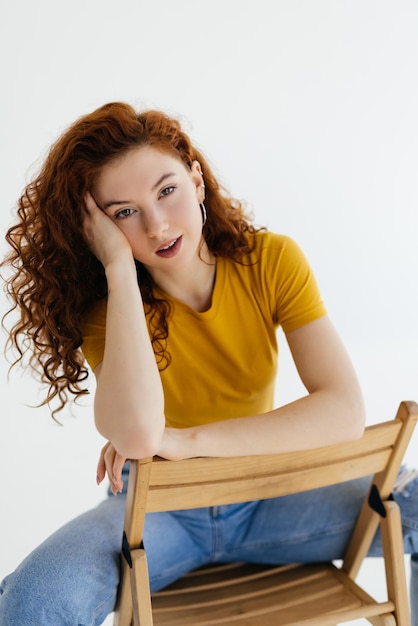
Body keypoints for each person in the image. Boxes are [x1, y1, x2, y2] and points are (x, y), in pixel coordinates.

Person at [0, 101, 417, 626]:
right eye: (123, 212)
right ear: (97, 229)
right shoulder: (108, 311)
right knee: (32, 598)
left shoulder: (270, 262)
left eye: (166, 190)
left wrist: (185, 441)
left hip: (273, 500)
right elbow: (137, 437)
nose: (155, 225)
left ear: (196, 180)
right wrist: (118, 270)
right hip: (157, 518)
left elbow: (343, 411)